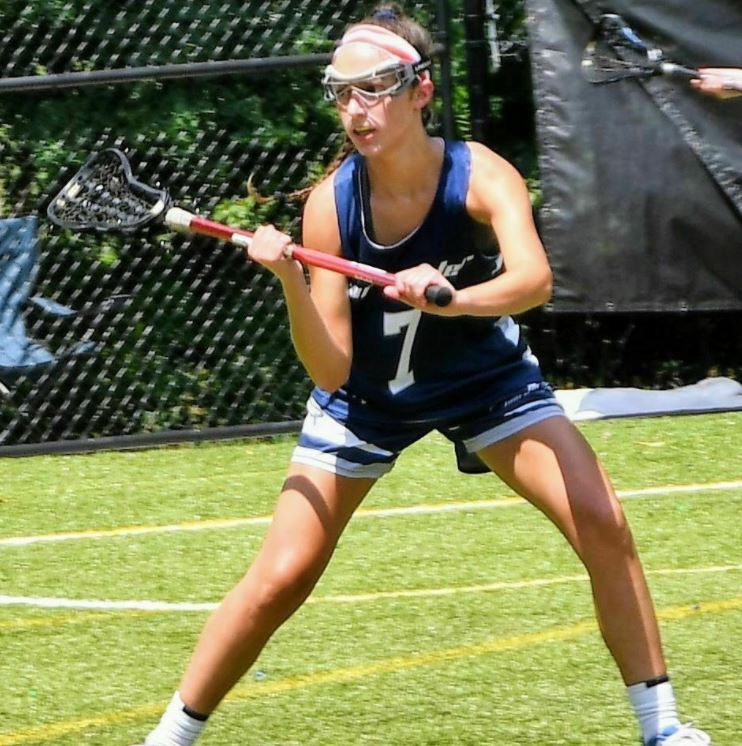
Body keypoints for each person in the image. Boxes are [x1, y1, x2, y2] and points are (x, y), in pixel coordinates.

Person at [135, 6, 712, 745]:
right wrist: (288, 281)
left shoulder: (481, 174)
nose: (357, 109)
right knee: (282, 576)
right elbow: (330, 368)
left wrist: (452, 299)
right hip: (366, 402)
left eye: (375, 89)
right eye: (343, 93)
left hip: (484, 381)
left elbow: (534, 280)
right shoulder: (331, 205)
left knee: (602, 521)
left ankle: (663, 729)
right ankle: (170, 737)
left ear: (421, 92)